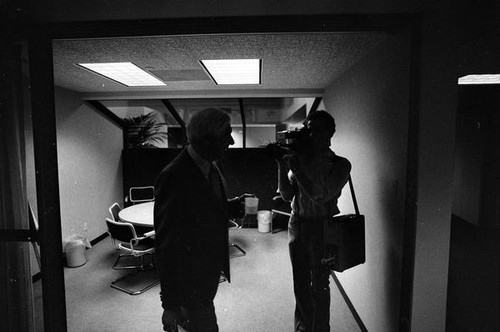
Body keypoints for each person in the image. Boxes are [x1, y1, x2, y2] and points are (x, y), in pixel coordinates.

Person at [154, 108, 249, 332]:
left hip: (204, 277)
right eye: (227, 134)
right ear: (208, 140)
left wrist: (233, 206)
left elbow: (205, 207)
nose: (232, 141)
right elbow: (167, 245)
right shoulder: (174, 176)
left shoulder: (209, 164)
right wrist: (170, 304)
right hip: (189, 283)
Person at [275, 110, 351, 332]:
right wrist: (281, 165)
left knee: (319, 285)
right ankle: (302, 328)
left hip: (322, 228)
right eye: (308, 130)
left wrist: (297, 169)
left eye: (316, 130)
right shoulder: (301, 160)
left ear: (330, 134)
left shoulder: (339, 164)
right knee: (300, 283)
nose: (310, 135)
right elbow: (287, 195)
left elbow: (320, 196)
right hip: (296, 224)